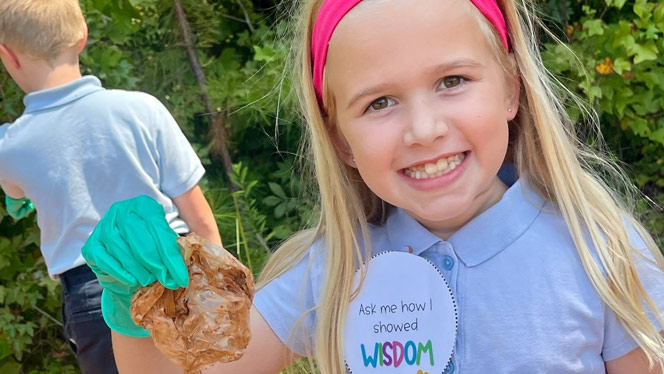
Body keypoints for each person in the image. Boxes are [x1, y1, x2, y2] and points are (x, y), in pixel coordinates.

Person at [81, 0, 664, 372]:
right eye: (380, 102)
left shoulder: (603, 255)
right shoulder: (334, 270)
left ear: (511, 90)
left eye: (453, 80)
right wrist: (134, 305)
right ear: (340, 140)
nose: (424, 129)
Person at [0, 1, 221, 373]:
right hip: (174, 268)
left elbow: (17, 195)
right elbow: (198, 214)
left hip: (93, 295)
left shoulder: (9, 148)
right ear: (82, 35)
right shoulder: (141, 109)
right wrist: (218, 284)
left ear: (7, 55)